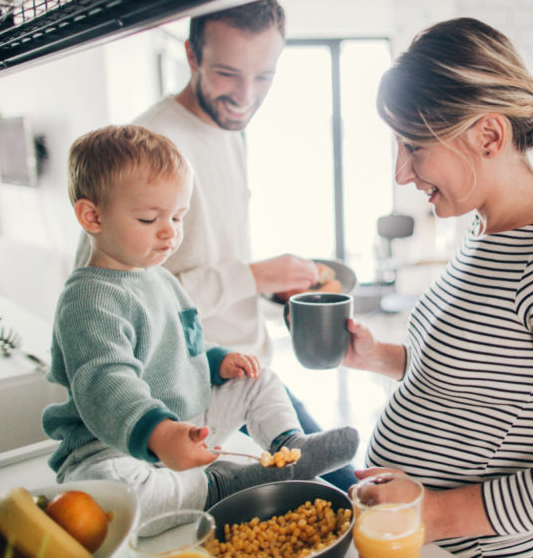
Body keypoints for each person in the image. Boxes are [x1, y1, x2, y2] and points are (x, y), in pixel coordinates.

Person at [343, 18, 533, 557]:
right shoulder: (484, 231)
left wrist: (430, 514)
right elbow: (482, 383)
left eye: (413, 146)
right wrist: (380, 357)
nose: (401, 173)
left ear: (488, 135)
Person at [75, 0, 357, 489]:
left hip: (242, 368)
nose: (246, 95)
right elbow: (114, 290)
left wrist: (270, 290)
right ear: (191, 56)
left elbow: (201, 258)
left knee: (342, 490)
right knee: (332, 496)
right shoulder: (151, 145)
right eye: (228, 73)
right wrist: (252, 275)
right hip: (188, 395)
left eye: (263, 76)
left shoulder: (226, 129)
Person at [45, 125, 358, 519]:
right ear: (92, 216)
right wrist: (158, 434)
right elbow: (106, 384)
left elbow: (182, 344)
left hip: (183, 421)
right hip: (111, 444)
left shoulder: (157, 277)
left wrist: (217, 361)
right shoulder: (88, 300)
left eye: (178, 217)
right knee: (116, 492)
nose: (169, 233)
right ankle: (218, 485)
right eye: (148, 219)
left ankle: (288, 446)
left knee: (257, 378)